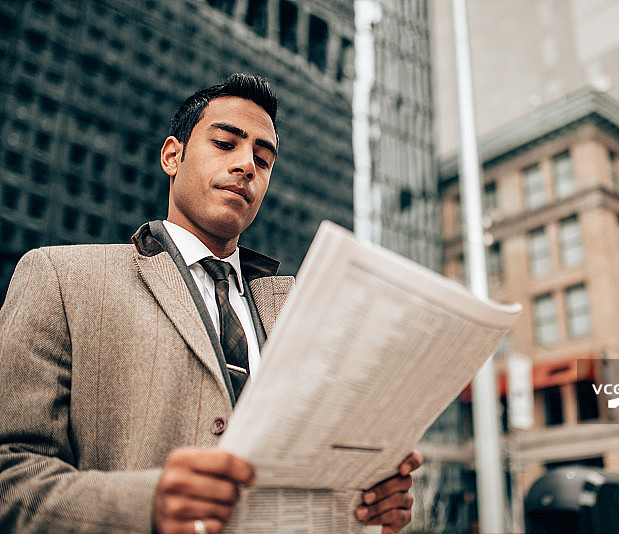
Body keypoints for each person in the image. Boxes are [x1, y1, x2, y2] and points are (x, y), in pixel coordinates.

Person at [0, 73, 422, 534]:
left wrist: (374, 503)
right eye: (225, 144)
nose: (247, 166)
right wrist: (145, 504)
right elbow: (10, 477)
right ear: (172, 156)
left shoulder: (306, 311)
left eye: (263, 160)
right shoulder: (60, 278)